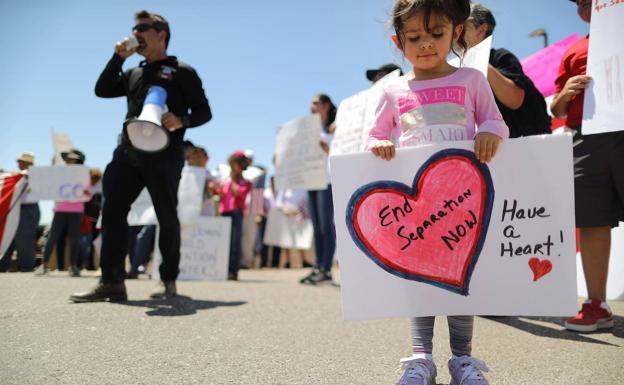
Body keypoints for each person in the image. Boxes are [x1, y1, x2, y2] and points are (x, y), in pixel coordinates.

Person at [367, 1, 509, 384]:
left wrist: (489, 133)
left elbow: (495, 120)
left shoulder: (472, 81)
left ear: (456, 33)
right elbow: (375, 134)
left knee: (462, 279)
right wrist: (379, 145)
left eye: (436, 34)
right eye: (414, 37)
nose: (426, 44)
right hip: (416, 209)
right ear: (399, 42)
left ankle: (462, 360)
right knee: (421, 278)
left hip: (462, 201)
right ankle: (420, 360)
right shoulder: (393, 89)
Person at [70, 10, 212, 302]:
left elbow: (204, 112)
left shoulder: (182, 71)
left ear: (162, 35)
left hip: (165, 152)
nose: (136, 34)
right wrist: (118, 58)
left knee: (166, 215)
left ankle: (167, 279)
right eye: (134, 29)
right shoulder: (134, 72)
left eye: (142, 29)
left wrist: (182, 121)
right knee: (112, 210)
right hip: (128, 151)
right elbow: (101, 89)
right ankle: (111, 281)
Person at [551, 0, 621, 332]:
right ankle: (597, 305)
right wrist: (565, 91)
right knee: (592, 220)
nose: (584, 5)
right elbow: (557, 110)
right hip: (586, 138)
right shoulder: (573, 49)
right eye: (579, 2)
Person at [464, 3, 551, 138]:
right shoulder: (460, 70)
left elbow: (515, 100)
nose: (455, 32)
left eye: (462, 26)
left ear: (481, 30)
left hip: (531, 143)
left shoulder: (501, 57)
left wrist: (478, 60)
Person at [299, 94, 337, 285]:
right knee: (316, 227)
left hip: (328, 180)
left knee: (325, 226)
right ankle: (317, 266)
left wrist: (325, 147)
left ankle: (326, 270)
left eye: (315, 103)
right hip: (312, 179)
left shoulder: (336, 127)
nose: (311, 107)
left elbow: (338, 151)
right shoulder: (309, 130)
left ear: (326, 105)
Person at [36, 149, 89, 277]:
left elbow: (88, 194)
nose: (70, 161)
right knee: (52, 237)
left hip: (76, 211)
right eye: (68, 159)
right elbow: (50, 187)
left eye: (73, 160)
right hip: (60, 210)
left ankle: (73, 266)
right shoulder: (59, 175)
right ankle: (44, 265)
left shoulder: (83, 175)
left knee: (74, 239)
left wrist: (83, 193)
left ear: (78, 161)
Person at [211, 151, 252, 281]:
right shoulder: (225, 180)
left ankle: (233, 271)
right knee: (224, 242)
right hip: (224, 211)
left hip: (236, 212)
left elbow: (237, 193)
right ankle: (222, 269)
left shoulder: (245, 182)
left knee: (234, 242)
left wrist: (233, 179)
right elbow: (219, 193)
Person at [0, 152, 40, 272]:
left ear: (29, 163)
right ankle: (2, 265)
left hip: (28, 209)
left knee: (25, 238)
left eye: (22, 162)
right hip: (13, 207)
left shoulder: (36, 175)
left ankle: (26, 266)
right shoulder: (15, 176)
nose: (19, 164)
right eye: (19, 162)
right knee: (7, 235)